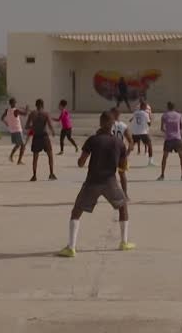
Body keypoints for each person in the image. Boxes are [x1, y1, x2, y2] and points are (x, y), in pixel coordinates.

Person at [58, 110, 134, 258]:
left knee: (77, 211)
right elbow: (123, 165)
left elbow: (81, 163)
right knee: (122, 206)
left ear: (100, 123)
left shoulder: (93, 140)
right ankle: (124, 242)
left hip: (92, 181)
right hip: (110, 181)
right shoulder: (119, 143)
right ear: (112, 125)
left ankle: (71, 247)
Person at [26, 99, 57, 181]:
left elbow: (26, 126)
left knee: (35, 157)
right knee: (50, 155)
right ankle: (51, 173)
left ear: (36, 105)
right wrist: (53, 132)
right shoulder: (45, 114)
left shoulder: (32, 114)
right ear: (43, 105)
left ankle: (34, 175)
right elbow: (50, 125)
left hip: (36, 136)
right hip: (44, 137)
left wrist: (33, 127)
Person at [157, 102, 182, 181]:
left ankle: (162, 175)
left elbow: (162, 128)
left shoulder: (164, 115)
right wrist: (177, 131)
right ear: (174, 107)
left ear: (167, 107)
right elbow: (181, 126)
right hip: (177, 138)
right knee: (181, 156)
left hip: (168, 139)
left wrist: (167, 132)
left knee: (165, 157)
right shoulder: (179, 115)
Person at [109, 107, 134, 199]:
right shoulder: (123, 125)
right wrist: (127, 152)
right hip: (121, 151)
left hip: (111, 152)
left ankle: (112, 194)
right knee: (122, 174)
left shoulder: (109, 125)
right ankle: (125, 195)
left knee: (110, 174)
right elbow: (131, 141)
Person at [2, 98, 28, 164]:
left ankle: (11, 156)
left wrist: (7, 123)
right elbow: (25, 114)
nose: (16, 104)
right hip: (17, 129)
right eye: (15, 103)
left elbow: (2, 118)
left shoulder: (7, 110)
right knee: (23, 146)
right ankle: (19, 161)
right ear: (13, 103)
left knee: (18, 144)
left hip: (12, 130)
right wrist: (27, 108)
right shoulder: (16, 110)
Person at [130, 100, 154, 166]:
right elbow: (149, 124)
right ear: (143, 106)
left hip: (135, 132)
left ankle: (123, 158)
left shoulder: (135, 112)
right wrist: (150, 119)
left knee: (131, 146)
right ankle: (150, 161)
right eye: (145, 107)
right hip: (143, 132)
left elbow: (132, 120)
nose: (146, 108)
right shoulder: (145, 113)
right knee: (150, 145)